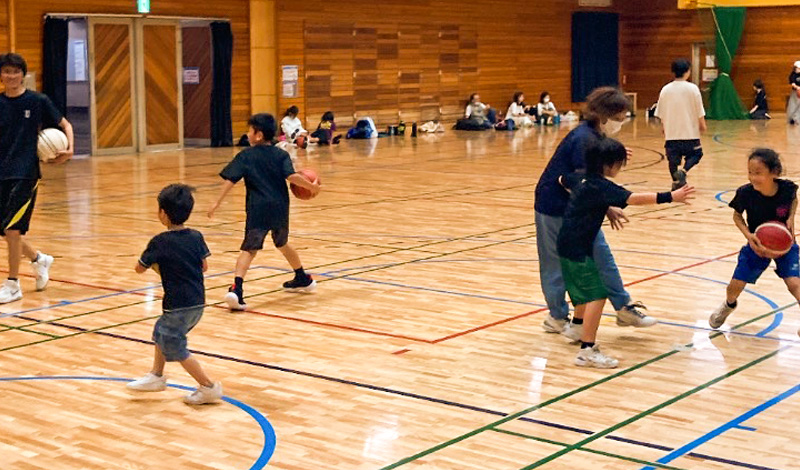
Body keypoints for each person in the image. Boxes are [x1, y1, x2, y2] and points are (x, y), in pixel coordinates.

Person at [559, 138, 694, 367]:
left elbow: (562, 180)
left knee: (584, 291)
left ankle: (577, 327)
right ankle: (587, 351)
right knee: (597, 295)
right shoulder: (602, 186)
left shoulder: (580, 178)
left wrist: (602, 206)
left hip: (567, 242)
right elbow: (633, 199)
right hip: (579, 246)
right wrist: (670, 197)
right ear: (608, 165)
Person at [535, 86, 657, 337]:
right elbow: (580, 183)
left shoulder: (598, 138)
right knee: (554, 264)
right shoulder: (584, 139)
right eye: (619, 118)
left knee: (602, 255)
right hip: (554, 205)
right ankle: (557, 317)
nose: (622, 123)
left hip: (581, 207)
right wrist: (607, 205)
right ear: (603, 115)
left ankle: (623, 307)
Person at [208, 113, 320, 311]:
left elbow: (230, 180)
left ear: (258, 135)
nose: (247, 133)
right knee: (282, 243)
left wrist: (217, 202)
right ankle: (302, 277)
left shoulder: (245, 156)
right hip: (279, 208)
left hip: (257, 209)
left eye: (250, 130)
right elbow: (292, 177)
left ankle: (237, 289)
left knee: (249, 250)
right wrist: (312, 186)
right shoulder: (280, 155)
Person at [127, 184, 223, 405]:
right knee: (161, 331)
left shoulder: (159, 242)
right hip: (198, 303)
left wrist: (160, 266)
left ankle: (208, 386)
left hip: (177, 305)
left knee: (175, 346)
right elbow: (204, 266)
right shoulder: (196, 236)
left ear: (163, 213)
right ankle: (156, 375)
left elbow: (139, 268)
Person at [0, 52, 74, 304]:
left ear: (23, 74)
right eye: (6, 71)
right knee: (6, 230)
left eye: (15, 71)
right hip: (2, 173)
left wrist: (70, 149)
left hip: (26, 173)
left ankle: (12, 284)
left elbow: (66, 125)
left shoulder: (37, 101)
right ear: (1, 75)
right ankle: (38, 259)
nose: (11, 76)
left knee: (12, 229)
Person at [709, 148, 800, 332]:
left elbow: (794, 200)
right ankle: (729, 305)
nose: (752, 177)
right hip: (757, 244)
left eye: (758, 173)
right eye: (750, 172)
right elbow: (737, 216)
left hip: (784, 244)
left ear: (774, 173)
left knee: (794, 284)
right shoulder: (745, 193)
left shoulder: (787, 189)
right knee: (734, 287)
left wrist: (791, 218)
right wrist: (748, 236)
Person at [655, 58, 707, 191]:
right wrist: (702, 124)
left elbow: (661, 112)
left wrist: (663, 127)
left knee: (673, 161)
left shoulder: (665, 89)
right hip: (690, 133)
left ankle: (676, 184)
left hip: (672, 134)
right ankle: (683, 171)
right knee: (696, 154)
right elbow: (699, 110)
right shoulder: (692, 88)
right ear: (688, 71)